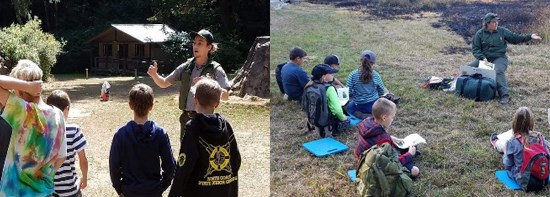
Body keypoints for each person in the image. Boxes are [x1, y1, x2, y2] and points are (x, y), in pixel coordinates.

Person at [147, 29, 230, 142]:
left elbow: (226, 96)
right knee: (186, 153)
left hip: (205, 119)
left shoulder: (216, 69)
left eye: (200, 43)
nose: (195, 46)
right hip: (186, 118)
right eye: (194, 43)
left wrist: (210, 84)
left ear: (209, 47)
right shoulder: (186, 67)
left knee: (204, 153)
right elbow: (164, 83)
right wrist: (154, 75)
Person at [0, 59, 67, 196]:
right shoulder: (58, 114)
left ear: (23, 90)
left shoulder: (24, 113)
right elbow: (62, 156)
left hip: (16, 193)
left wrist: (25, 85)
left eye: (15, 90)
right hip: (45, 192)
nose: (14, 93)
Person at [169, 78, 241, 197]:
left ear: (195, 100)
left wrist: (174, 193)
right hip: (225, 191)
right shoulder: (226, 125)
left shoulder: (193, 127)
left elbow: (184, 164)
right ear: (217, 103)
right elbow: (236, 159)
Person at [109, 84, 176, 197]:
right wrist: (161, 187)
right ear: (151, 106)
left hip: (130, 191)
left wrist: (119, 188)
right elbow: (170, 166)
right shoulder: (160, 133)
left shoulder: (120, 134)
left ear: (130, 105)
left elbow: (114, 166)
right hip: (153, 191)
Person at [467, 13, 542, 105]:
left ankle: (504, 95)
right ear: (487, 23)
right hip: (485, 60)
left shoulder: (502, 31)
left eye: (497, 21)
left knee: (498, 71)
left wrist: (530, 36)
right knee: (468, 69)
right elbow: (475, 49)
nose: (496, 23)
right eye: (493, 22)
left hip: (500, 58)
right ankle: (462, 85)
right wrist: (482, 58)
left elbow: (515, 38)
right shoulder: (479, 34)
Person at [354, 98, 420, 178]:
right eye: (392, 117)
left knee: (409, 146)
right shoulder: (384, 140)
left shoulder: (367, 122)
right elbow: (391, 164)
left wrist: (392, 138)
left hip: (361, 159)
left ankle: (411, 151)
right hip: (373, 168)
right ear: (384, 118)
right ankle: (411, 154)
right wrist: (409, 155)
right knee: (415, 171)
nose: (392, 120)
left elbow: (375, 138)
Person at [47, 90, 88, 197]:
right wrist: (84, 177)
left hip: (48, 187)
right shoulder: (74, 130)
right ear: (67, 109)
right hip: (70, 188)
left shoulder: (44, 131)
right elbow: (83, 160)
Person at [497, 107, 550, 185]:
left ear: (515, 122)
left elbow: (507, 165)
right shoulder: (540, 138)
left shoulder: (512, 141)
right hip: (543, 179)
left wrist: (505, 152)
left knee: (512, 165)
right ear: (531, 122)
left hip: (525, 181)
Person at [303, 64, 350, 136]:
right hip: (328, 122)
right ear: (323, 77)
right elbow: (337, 110)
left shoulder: (309, 86)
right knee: (348, 120)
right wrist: (344, 118)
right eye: (331, 73)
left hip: (313, 120)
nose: (333, 75)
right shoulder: (329, 88)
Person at [346, 50, 386, 119]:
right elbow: (382, 91)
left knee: (349, 107)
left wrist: (354, 94)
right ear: (373, 63)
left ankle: (360, 115)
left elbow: (348, 92)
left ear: (360, 61)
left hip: (359, 105)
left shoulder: (353, 75)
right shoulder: (376, 75)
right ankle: (372, 115)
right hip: (373, 106)